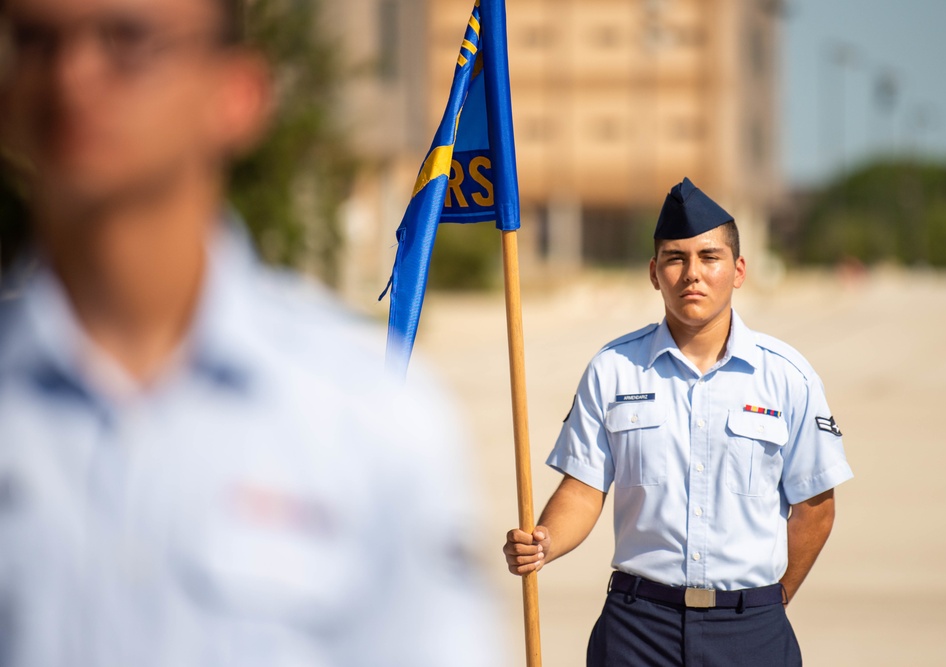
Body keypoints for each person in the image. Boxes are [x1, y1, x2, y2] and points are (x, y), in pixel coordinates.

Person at [0, 0, 499, 665]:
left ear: (236, 93)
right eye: (35, 41)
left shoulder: (365, 422)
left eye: (126, 39)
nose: (71, 74)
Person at [503, 178, 854, 666]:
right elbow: (583, 490)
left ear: (738, 270)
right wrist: (543, 542)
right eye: (675, 258)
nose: (693, 273)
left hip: (751, 632)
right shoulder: (614, 369)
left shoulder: (787, 376)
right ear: (654, 272)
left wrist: (767, 601)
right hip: (637, 630)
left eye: (709, 257)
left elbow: (815, 507)